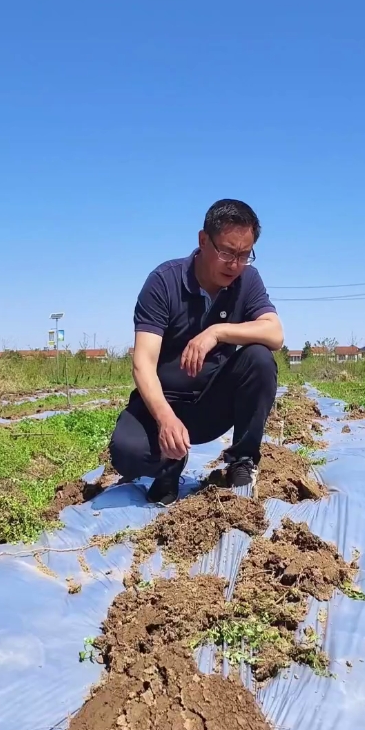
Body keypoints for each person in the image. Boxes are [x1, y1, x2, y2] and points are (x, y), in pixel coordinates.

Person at [110, 198, 284, 506]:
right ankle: (169, 465)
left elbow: (275, 333)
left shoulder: (247, 280)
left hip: (212, 405)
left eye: (245, 255)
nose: (235, 264)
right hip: (162, 406)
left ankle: (242, 460)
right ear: (203, 241)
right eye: (227, 252)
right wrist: (165, 418)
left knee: (259, 357)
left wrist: (217, 332)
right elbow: (143, 363)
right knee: (126, 453)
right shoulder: (164, 282)